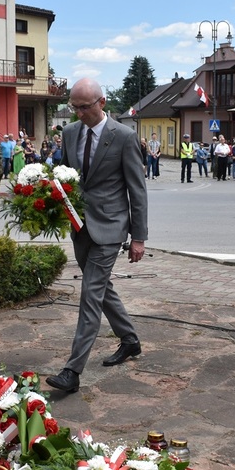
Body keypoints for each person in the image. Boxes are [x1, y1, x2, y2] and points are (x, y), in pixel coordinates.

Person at [45, 78, 148, 394]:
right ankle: (129, 340)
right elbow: (67, 176)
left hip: (110, 226)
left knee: (90, 292)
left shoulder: (124, 137)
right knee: (102, 288)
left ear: (101, 102)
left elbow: (137, 190)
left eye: (84, 107)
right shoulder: (71, 133)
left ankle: (72, 371)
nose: (78, 114)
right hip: (80, 226)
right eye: (74, 107)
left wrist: (139, 237)